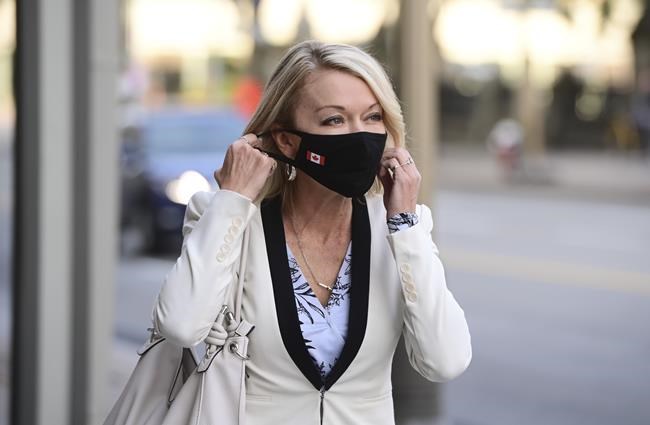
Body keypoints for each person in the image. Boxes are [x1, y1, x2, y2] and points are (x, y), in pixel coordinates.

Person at [153, 40, 471, 425]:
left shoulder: (398, 229)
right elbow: (181, 325)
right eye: (334, 120)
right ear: (287, 140)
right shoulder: (229, 220)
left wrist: (404, 226)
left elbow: (445, 360)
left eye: (372, 117)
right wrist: (232, 201)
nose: (359, 135)